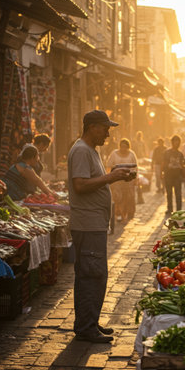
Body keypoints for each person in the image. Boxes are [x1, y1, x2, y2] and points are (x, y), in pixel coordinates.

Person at [68, 110, 135, 343]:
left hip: (94, 223)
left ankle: (90, 322)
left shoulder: (91, 151)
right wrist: (112, 177)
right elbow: (80, 185)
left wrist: (114, 176)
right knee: (90, 274)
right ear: (92, 127)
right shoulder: (80, 151)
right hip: (87, 224)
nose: (108, 133)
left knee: (95, 274)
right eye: (105, 128)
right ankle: (86, 328)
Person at [106, 138, 138, 222]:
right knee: (117, 197)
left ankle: (126, 214)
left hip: (128, 180)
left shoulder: (131, 154)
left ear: (128, 147)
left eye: (125, 147)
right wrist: (109, 177)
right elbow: (109, 166)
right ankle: (118, 214)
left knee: (128, 197)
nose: (123, 148)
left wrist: (135, 179)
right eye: (122, 146)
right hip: (117, 181)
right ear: (119, 146)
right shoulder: (114, 154)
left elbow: (135, 167)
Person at [162, 135, 184, 214]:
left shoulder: (180, 154)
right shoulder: (167, 153)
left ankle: (179, 210)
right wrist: (162, 173)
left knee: (178, 194)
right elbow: (164, 163)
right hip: (168, 176)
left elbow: (182, 165)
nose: (177, 143)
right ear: (172, 143)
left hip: (177, 176)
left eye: (178, 142)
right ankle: (170, 208)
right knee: (169, 194)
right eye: (175, 142)